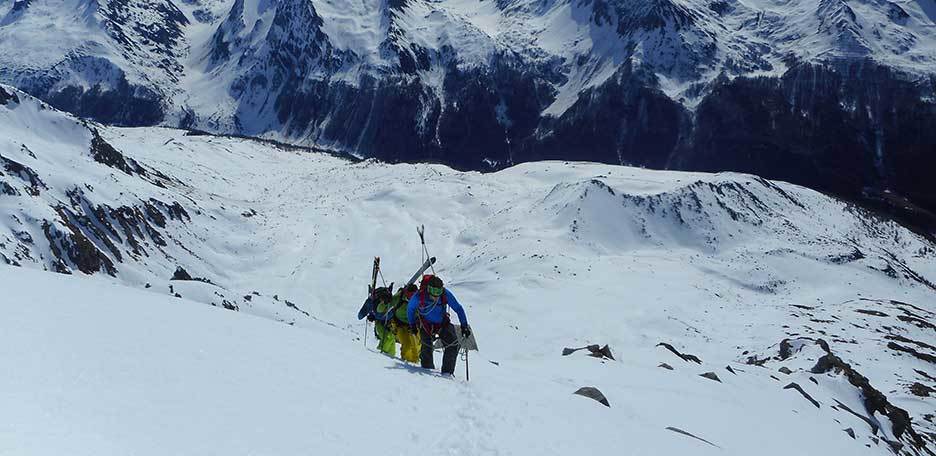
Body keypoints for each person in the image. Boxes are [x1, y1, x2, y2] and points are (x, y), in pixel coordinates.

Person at [407, 275, 471, 376]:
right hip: (425, 324)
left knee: (453, 344)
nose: (436, 296)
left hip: (442, 324)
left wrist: (464, 325)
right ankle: (427, 371)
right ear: (428, 289)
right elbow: (410, 309)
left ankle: (447, 373)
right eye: (434, 293)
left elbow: (458, 308)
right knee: (426, 348)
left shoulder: (445, 294)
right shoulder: (419, 296)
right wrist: (413, 325)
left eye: (438, 293)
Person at [358, 287, 397, 357]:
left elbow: (360, 315)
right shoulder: (372, 302)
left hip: (389, 322)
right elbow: (360, 315)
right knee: (388, 337)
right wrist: (371, 314)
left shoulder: (387, 301)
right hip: (380, 322)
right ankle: (379, 355)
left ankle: (390, 356)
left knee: (391, 340)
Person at [390, 284, 420, 363]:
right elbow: (388, 304)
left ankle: (415, 361)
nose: (410, 298)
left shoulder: (419, 299)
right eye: (409, 295)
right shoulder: (398, 297)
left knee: (416, 345)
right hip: (400, 324)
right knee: (406, 345)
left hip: (414, 325)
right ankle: (408, 361)